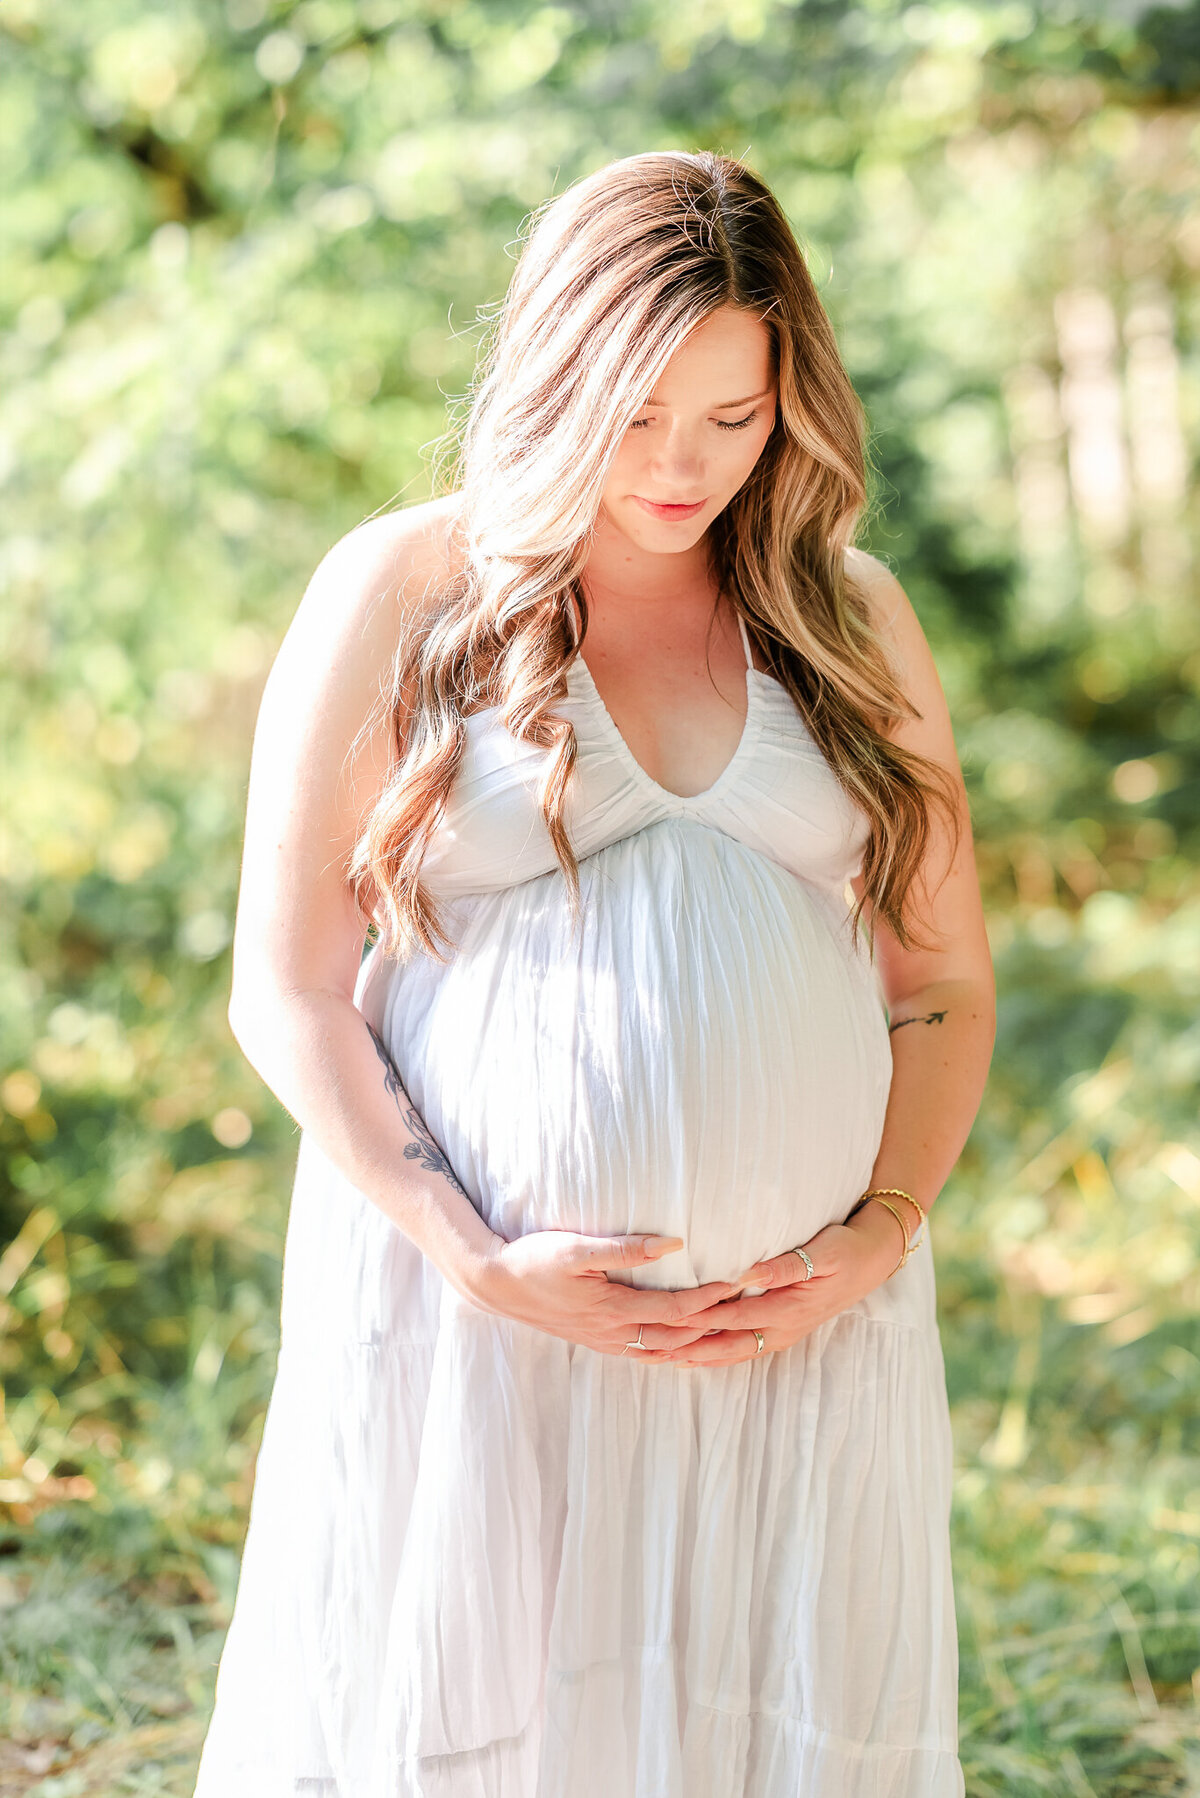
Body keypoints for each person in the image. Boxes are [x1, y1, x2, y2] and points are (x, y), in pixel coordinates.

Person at [192, 150, 994, 1798]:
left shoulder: (845, 619)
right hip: (479, 1322)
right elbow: (282, 979)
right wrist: (472, 1254)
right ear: (558, 371)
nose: (683, 466)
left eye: (734, 415)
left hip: (799, 1351)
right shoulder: (410, 587)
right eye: (638, 416)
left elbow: (943, 984)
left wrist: (873, 1235)